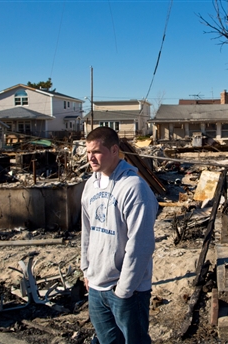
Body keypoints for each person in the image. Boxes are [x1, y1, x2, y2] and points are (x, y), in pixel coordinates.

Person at [80, 127, 158, 344]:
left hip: (126, 291)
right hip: (96, 286)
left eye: (96, 151)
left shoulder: (134, 188)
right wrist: (86, 269)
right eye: (88, 152)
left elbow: (141, 245)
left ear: (114, 150)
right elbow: (87, 231)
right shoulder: (90, 185)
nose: (90, 158)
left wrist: (124, 289)